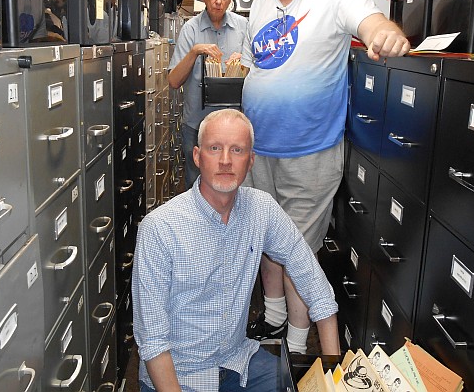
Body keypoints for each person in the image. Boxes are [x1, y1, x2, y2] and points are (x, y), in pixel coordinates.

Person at [241, 0, 410, 354]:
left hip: (309, 151)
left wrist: (384, 33)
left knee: (297, 253)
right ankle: (274, 319)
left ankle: (298, 347)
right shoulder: (261, 2)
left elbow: (369, 21)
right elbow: (255, 65)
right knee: (266, 239)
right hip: (259, 150)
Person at [132, 109, 340, 391]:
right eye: (215, 148)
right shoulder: (159, 228)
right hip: (178, 373)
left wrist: (336, 376)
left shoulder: (262, 209)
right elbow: (153, 340)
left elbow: (318, 290)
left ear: (251, 160)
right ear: (197, 156)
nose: (226, 160)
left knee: (297, 385)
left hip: (238, 361)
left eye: (238, 150)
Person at [168, 0, 248, 189]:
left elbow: (259, 74)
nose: (219, 2)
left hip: (234, 126)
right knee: (195, 183)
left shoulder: (244, 27)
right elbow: (174, 81)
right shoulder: (190, 29)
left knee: (235, 184)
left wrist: (245, 62)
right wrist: (194, 52)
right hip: (196, 126)